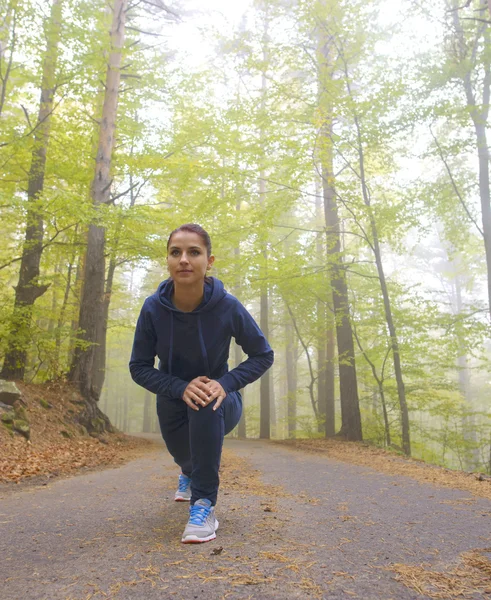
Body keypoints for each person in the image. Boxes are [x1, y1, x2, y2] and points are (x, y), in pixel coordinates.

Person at [129, 223, 274, 543]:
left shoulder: (227, 306)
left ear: (209, 261)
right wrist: (179, 387)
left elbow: (262, 355)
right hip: (171, 398)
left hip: (221, 400)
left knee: (206, 395)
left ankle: (204, 503)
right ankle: (188, 471)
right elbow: (139, 367)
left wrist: (226, 383)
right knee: (187, 457)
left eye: (194, 252)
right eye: (175, 252)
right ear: (167, 260)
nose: (184, 259)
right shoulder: (153, 309)